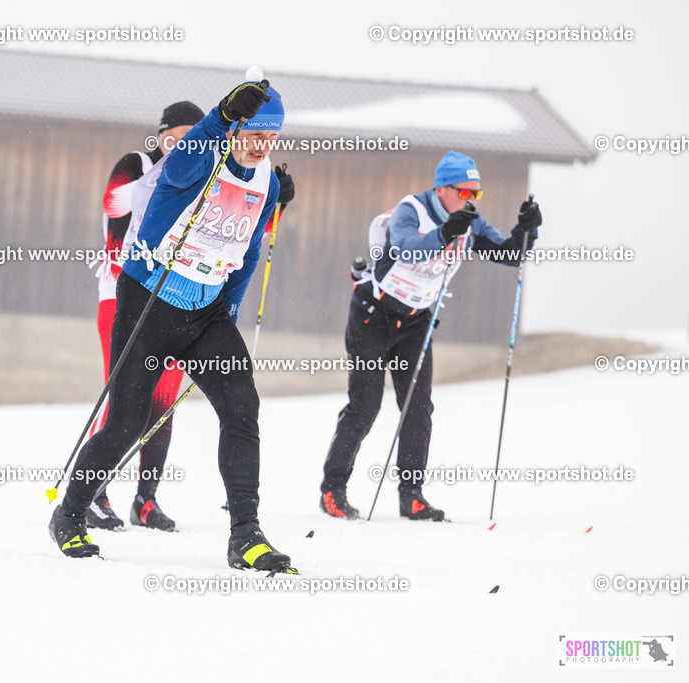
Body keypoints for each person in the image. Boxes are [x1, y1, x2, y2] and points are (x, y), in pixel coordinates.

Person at [50, 79, 296, 571]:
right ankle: (71, 513)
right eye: (252, 134)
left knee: (243, 407)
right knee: (127, 422)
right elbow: (185, 159)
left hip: (205, 313)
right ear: (235, 129)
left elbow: (246, 254)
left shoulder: (264, 180)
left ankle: (246, 534)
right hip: (149, 303)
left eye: (270, 139)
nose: (260, 146)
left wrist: (227, 310)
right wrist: (221, 114)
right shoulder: (198, 159)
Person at [319, 150, 542, 522]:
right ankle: (333, 490)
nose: (472, 200)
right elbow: (405, 250)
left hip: (415, 324)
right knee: (365, 406)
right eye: (466, 192)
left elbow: (508, 254)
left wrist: (527, 229)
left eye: (478, 194)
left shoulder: (469, 221)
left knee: (418, 409)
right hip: (372, 317)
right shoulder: (412, 210)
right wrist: (445, 232)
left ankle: (412, 496)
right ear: (442, 189)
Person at [86, 101, 204, 533]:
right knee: (123, 400)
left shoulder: (206, 179)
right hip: (121, 293)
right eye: (175, 139)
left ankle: (146, 500)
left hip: (175, 299)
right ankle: (93, 493)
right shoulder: (136, 164)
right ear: (161, 137)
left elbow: (237, 229)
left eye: (194, 139)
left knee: (162, 403)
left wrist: (274, 205)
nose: (183, 147)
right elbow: (115, 203)